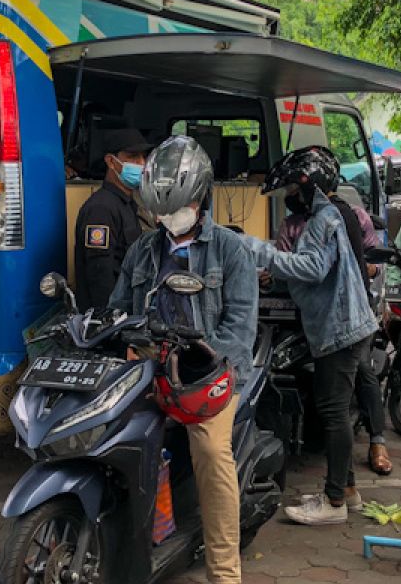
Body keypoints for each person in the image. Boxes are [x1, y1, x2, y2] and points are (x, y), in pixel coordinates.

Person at [108, 136, 257, 584]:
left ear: (198, 200)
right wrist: (124, 338)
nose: (166, 218)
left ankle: (225, 573)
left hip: (207, 376)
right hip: (150, 372)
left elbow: (239, 331)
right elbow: (119, 309)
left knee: (212, 452)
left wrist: (201, 366)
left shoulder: (230, 251)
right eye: (159, 209)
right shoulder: (143, 250)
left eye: (174, 208)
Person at [238, 146, 379, 526]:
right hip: (344, 325)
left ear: (308, 185)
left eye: (290, 190)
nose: (288, 199)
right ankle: (347, 490)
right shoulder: (330, 214)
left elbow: (314, 267)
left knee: (333, 412)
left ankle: (333, 502)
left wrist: (256, 250)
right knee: (335, 410)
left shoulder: (324, 218)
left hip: (341, 328)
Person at [274, 183, 392, 476]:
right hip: (309, 312)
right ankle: (341, 485)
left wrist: (367, 268)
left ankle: (376, 442)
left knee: (362, 374)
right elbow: (287, 265)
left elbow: (372, 258)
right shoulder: (291, 226)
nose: (290, 198)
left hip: (349, 312)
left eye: (294, 190)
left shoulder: (351, 217)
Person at [73, 128, 153, 312]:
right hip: (109, 317)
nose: (141, 164)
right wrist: (109, 320)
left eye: (143, 157)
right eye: (133, 157)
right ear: (111, 161)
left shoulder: (128, 203)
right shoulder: (101, 209)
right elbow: (100, 273)